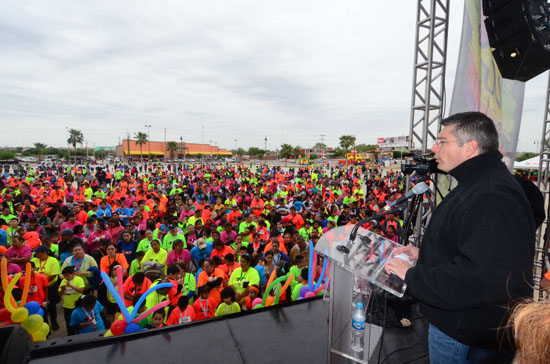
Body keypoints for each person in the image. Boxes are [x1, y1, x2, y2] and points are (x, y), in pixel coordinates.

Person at [385, 112, 535, 363]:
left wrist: (411, 274)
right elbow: (481, 251)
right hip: (466, 327)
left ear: (470, 147)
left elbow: (480, 277)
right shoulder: (480, 184)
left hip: (466, 332)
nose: (434, 148)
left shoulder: (490, 195)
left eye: (442, 141)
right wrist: (425, 255)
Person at [58, 266, 85, 335]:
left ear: (73, 274)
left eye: (68, 275)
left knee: (79, 321)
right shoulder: (63, 281)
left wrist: (71, 286)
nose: (66, 278)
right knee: (69, 322)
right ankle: (70, 334)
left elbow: (81, 290)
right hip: (67, 306)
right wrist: (63, 289)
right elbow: (59, 294)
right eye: (64, 276)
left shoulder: (79, 279)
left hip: (77, 305)